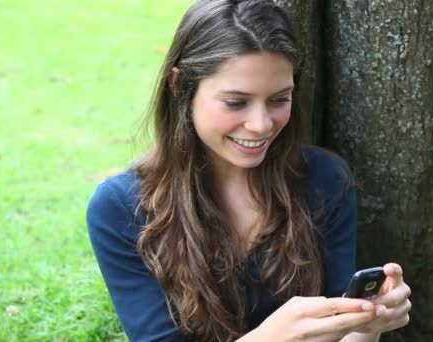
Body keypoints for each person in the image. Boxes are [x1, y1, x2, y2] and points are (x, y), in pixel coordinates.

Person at [86, 0, 411, 341]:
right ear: (179, 86)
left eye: (279, 99)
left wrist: (368, 323)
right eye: (236, 102)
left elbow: (341, 326)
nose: (261, 125)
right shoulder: (121, 208)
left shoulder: (324, 178)